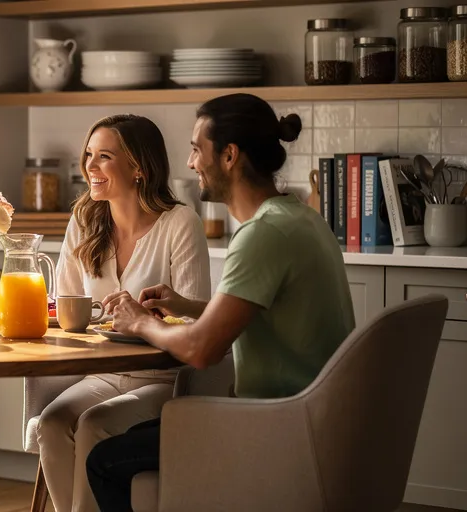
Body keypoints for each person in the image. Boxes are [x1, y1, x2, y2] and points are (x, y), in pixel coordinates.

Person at [86, 93, 355, 512]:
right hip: (316, 419)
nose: (191, 163)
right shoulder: (300, 218)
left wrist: (140, 322)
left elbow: (201, 350)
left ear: (229, 156)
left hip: (275, 426)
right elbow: (261, 314)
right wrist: (184, 306)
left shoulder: (261, 236)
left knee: (105, 461)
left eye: (197, 149)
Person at [0, 115, 210, 512]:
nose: (90, 166)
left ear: (138, 167)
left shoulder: (180, 223)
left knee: (92, 425)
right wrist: (9, 308)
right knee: (52, 424)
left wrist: (146, 317)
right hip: (102, 373)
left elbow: (193, 321)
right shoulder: (86, 220)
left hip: (161, 377)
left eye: (104, 156)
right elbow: (65, 307)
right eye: (89, 155)